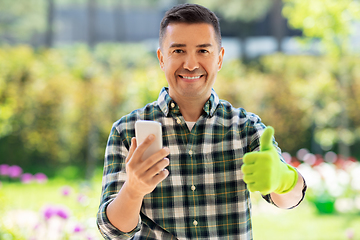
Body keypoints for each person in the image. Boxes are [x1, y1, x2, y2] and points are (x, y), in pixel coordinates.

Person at [97, 3, 306, 240]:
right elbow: (112, 232)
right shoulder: (126, 132)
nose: (190, 64)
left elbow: (291, 200)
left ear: (219, 58)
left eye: (203, 51)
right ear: (161, 58)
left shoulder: (245, 129)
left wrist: (282, 179)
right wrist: (133, 190)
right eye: (178, 51)